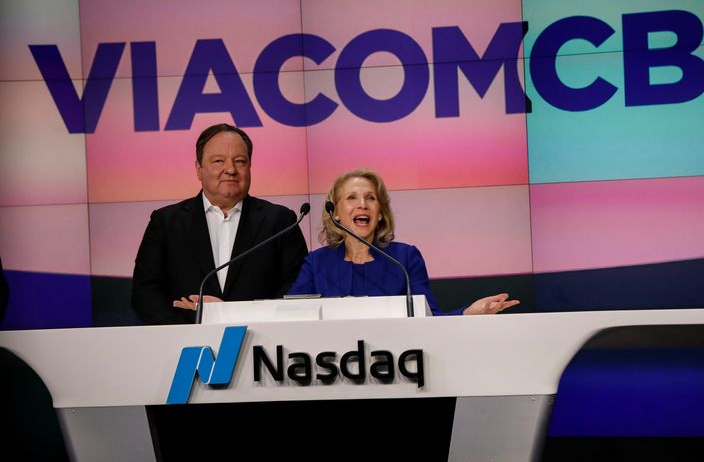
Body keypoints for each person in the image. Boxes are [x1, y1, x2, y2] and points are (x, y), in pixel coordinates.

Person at [131, 123, 308, 324]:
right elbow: (145, 293)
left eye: (240, 161)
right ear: (199, 169)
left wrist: (235, 315)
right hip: (184, 345)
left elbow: (296, 290)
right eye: (218, 161)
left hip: (261, 344)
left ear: (250, 166)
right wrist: (185, 330)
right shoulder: (166, 222)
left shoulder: (281, 221)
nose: (230, 169)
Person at [288, 168, 519, 315]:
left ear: (380, 213)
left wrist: (468, 313)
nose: (362, 204)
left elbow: (428, 318)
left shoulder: (404, 258)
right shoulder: (316, 263)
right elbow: (291, 316)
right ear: (335, 212)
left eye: (371, 198)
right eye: (351, 198)